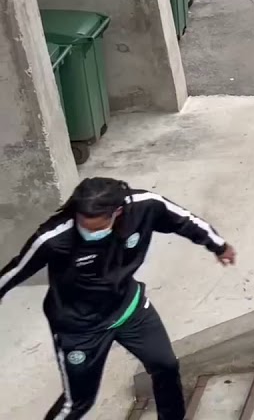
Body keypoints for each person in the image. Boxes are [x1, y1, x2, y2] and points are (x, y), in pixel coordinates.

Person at [0, 177, 235, 420]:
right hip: (78, 327)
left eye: (96, 228)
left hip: (128, 308)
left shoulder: (144, 206)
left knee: (166, 366)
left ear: (117, 213)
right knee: (78, 402)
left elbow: (185, 221)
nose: (88, 232)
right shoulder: (53, 238)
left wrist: (218, 245)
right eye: (83, 225)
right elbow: (16, 270)